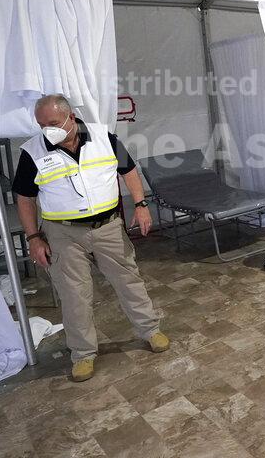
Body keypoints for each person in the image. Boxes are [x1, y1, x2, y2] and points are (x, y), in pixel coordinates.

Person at [13, 94, 169, 382]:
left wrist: (141, 204)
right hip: (63, 233)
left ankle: (150, 330)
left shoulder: (102, 137)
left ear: (71, 117)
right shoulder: (32, 152)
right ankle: (82, 354)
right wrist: (33, 237)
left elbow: (129, 171)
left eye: (53, 122)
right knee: (74, 295)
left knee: (128, 280)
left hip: (108, 227)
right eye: (41, 124)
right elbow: (24, 198)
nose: (48, 129)